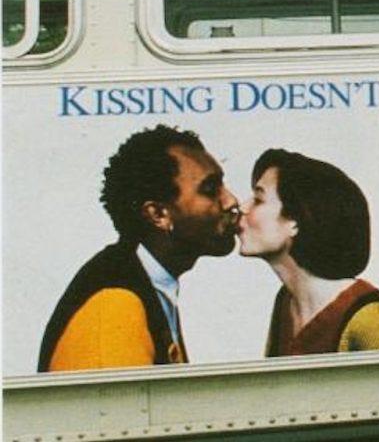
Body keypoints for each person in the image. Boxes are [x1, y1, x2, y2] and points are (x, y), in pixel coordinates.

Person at [38, 125, 240, 372]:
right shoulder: (115, 306)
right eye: (210, 189)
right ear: (158, 214)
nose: (231, 201)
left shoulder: (142, 281)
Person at [238, 149, 379, 356]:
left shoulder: (368, 319)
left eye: (258, 199)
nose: (243, 207)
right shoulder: (286, 302)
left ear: (295, 221)